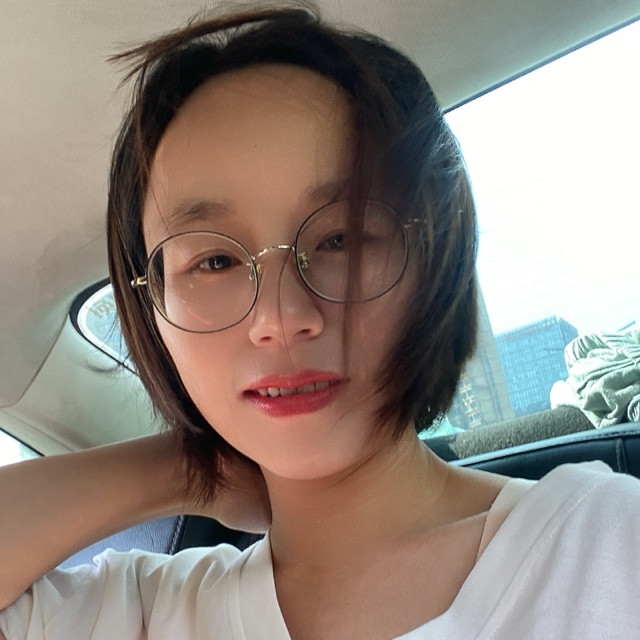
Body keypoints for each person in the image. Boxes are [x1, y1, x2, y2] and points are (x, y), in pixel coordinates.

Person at [1, 5, 639, 639]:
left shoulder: (606, 544)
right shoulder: (136, 614)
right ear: (153, 309)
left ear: (435, 257)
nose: (281, 318)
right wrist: (188, 464)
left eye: (343, 239)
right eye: (215, 261)